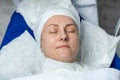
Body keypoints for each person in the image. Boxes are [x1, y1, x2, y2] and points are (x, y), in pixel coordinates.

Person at [0, 0, 120, 80]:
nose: (63, 36)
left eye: (71, 30)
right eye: (53, 31)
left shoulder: (108, 75)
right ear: (40, 44)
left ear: (79, 40)